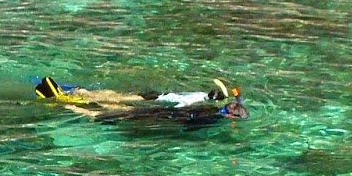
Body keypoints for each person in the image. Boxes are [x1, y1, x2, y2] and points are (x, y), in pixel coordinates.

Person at [34, 77, 247, 124]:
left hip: (158, 99)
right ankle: (65, 102)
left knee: (116, 99)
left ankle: (76, 94)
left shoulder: (207, 101)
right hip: (158, 109)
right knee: (103, 112)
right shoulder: (208, 114)